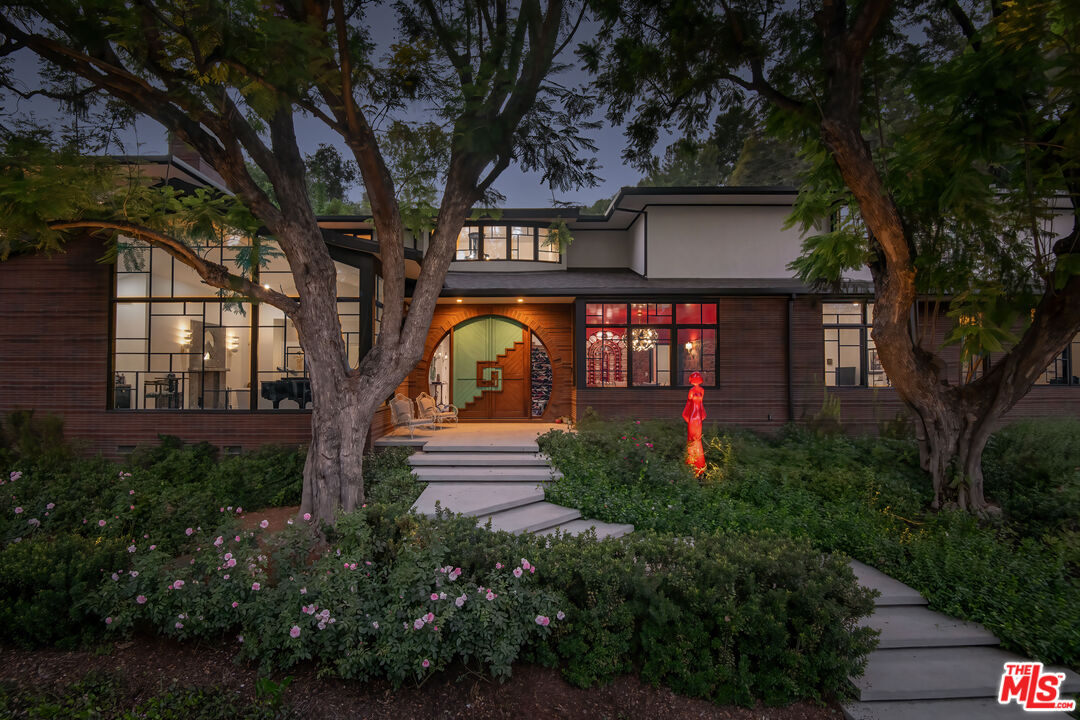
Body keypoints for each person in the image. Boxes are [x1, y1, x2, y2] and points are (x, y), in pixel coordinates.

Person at [682, 371, 706, 476]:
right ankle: (691, 462)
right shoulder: (691, 391)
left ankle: (699, 464)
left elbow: (700, 404)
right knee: (692, 439)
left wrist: (703, 413)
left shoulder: (702, 390)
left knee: (698, 439)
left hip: (698, 417)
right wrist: (685, 415)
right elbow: (689, 403)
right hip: (692, 416)